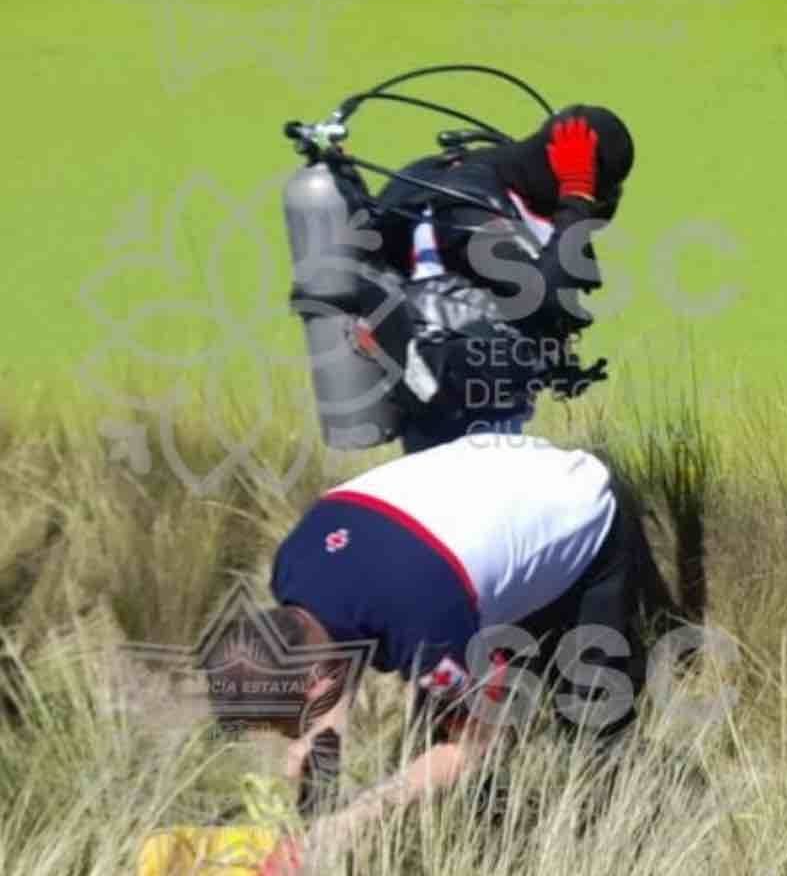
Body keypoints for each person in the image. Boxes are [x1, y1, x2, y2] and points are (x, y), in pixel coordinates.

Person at [197, 435, 652, 873]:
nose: (288, 741)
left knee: (593, 724)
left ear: (314, 682)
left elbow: (475, 747)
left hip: (579, 509)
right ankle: (493, 838)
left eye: (287, 726)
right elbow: (335, 658)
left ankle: (610, 848)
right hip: (482, 502)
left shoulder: (425, 631)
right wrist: (314, 759)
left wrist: (349, 823)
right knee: (430, 749)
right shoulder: (291, 570)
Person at [369, 106, 635, 452]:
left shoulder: (522, 195)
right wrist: (577, 199)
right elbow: (542, 294)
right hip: (445, 396)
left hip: (488, 394)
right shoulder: (468, 200)